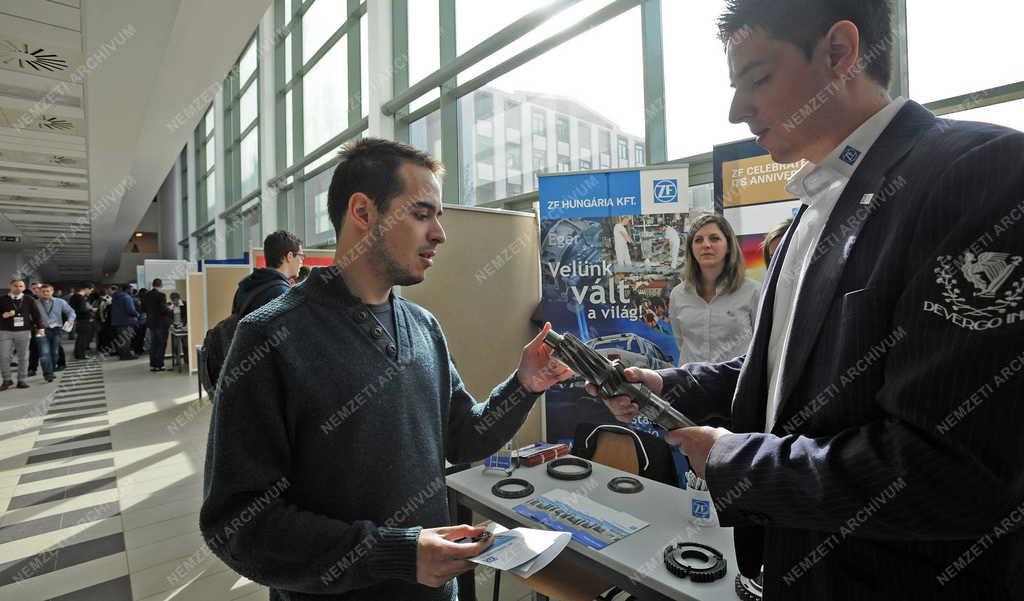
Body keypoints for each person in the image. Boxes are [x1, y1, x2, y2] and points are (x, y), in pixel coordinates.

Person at [597, 2, 1024, 599]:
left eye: (757, 79)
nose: (736, 109)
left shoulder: (980, 172)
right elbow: (784, 379)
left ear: (840, 53)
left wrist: (737, 463)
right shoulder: (809, 212)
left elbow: (954, 470)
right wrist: (668, 386)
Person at [200, 138, 573, 601]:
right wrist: (395, 554)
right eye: (421, 214)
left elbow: (461, 437)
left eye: (438, 216)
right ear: (363, 212)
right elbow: (237, 524)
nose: (439, 233)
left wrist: (524, 385)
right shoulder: (271, 336)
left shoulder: (422, 326)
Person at [668, 214, 760, 365]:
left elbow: (763, 344)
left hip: (737, 385)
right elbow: (681, 342)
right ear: (691, 248)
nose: (706, 245)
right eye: (698, 240)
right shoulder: (678, 295)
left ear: (729, 245)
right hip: (691, 384)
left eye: (714, 238)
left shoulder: (753, 291)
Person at [231, 230, 304, 318]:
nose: (301, 261)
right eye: (301, 256)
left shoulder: (245, 286)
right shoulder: (282, 293)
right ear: (290, 256)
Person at [0, 279, 45, 390]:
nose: (18, 288)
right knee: (4, 356)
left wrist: (40, 328)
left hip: (24, 331)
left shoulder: (29, 299)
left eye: (21, 286)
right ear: (10, 287)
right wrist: (3, 315)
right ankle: (7, 379)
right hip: (5, 331)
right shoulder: (2, 299)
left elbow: (36, 314)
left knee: (23, 357)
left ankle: (21, 380)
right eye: (15, 286)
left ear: (24, 288)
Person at [35, 284, 75, 383]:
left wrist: (70, 319)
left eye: (48, 291)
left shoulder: (60, 302)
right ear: (40, 292)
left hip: (56, 330)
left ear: (52, 292)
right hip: (41, 330)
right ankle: (48, 374)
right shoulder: (35, 303)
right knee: (44, 353)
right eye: (43, 291)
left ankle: (51, 369)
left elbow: (71, 311)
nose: (45, 293)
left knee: (55, 352)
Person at [142, 279, 173, 372]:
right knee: (161, 344)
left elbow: (143, 308)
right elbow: (163, 310)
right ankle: (160, 365)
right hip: (161, 324)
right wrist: (170, 308)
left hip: (151, 324)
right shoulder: (161, 295)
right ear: (161, 285)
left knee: (154, 344)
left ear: (153, 285)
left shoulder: (146, 295)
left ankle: (153, 365)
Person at [109, 284, 138, 360]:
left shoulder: (115, 297)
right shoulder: (127, 298)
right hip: (127, 321)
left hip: (117, 321)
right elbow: (130, 310)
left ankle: (121, 355)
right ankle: (126, 355)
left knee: (121, 340)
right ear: (127, 289)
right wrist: (137, 314)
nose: (132, 291)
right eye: (131, 289)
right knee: (126, 340)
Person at [69, 284, 96, 359]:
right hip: (83, 320)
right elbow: (82, 310)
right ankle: (81, 355)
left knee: (80, 338)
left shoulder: (74, 296)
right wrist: (91, 309)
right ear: (86, 288)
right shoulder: (80, 298)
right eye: (91, 290)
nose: (90, 292)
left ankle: (78, 354)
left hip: (79, 320)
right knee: (83, 339)